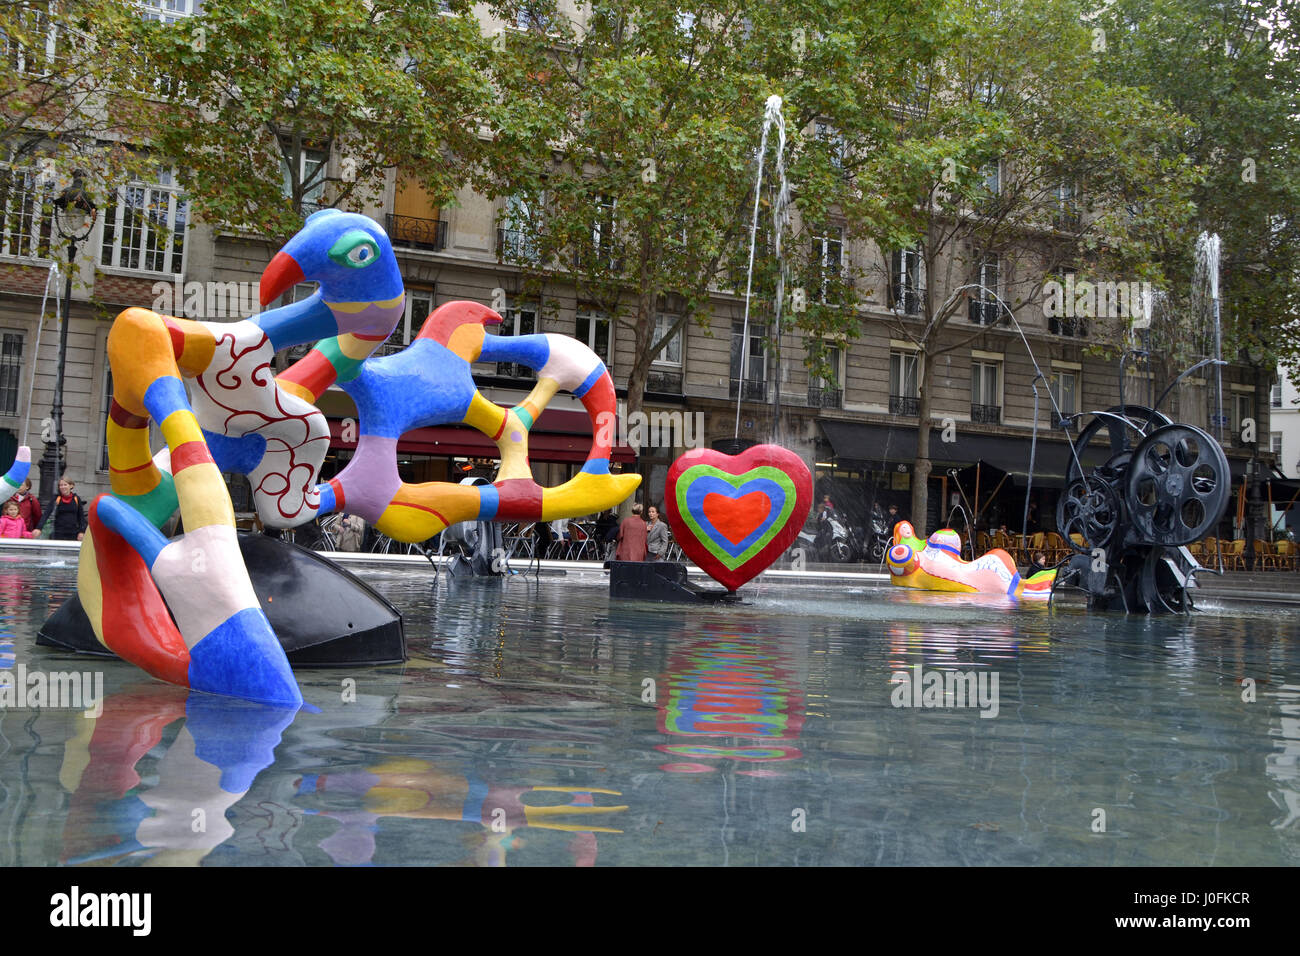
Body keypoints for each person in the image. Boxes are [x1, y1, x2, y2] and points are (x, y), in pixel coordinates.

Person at [50, 477, 87, 542]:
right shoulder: (56, 498)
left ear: (71, 486)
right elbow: (46, 513)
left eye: (65, 485)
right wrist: (39, 528)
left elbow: (81, 517)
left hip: (73, 533)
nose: (62, 487)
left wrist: (82, 531)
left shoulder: (76, 499)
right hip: (58, 533)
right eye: (61, 485)